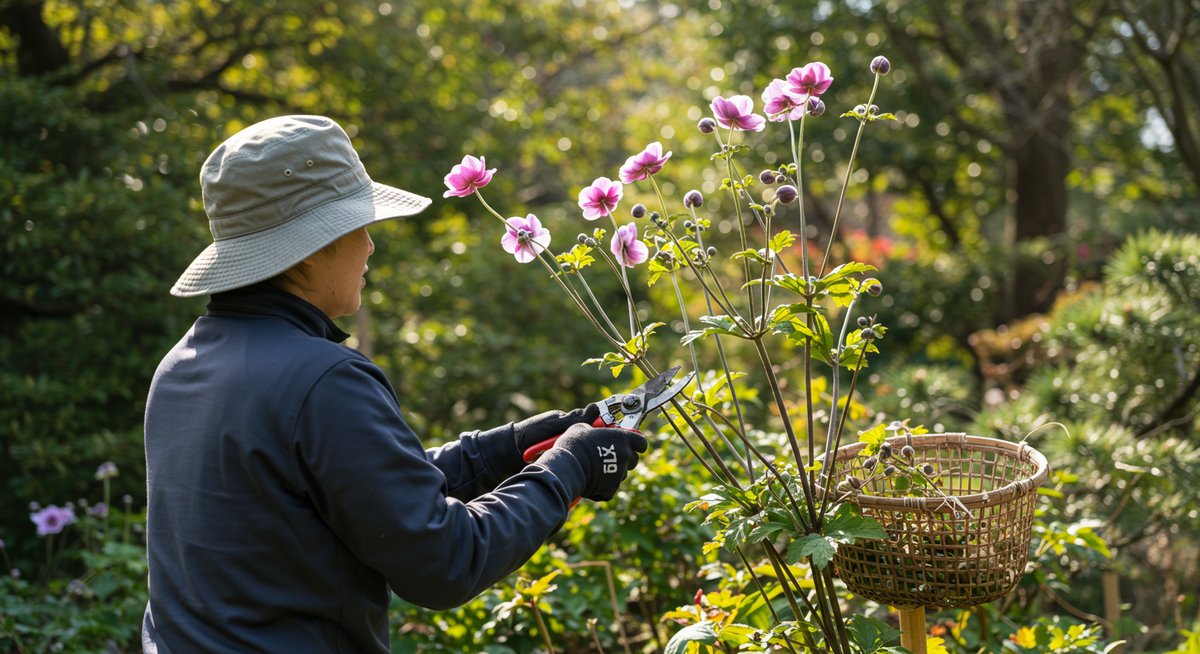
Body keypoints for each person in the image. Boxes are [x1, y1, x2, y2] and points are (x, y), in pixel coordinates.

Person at [142, 115, 648, 653]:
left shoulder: (182, 367)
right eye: (358, 226)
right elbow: (446, 561)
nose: (370, 246)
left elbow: (353, 494)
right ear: (311, 246)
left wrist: (504, 449)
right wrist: (567, 470)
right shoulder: (324, 380)